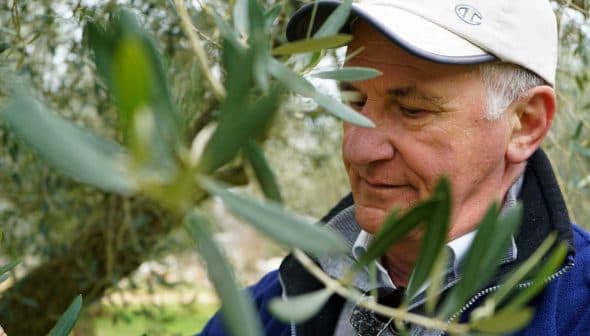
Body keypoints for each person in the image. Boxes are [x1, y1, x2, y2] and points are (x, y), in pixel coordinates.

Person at [199, 0, 590, 335]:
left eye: (412, 110)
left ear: (526, 124)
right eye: (353, 102)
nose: (359, 148)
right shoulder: (265, 311)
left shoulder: (577, 309)